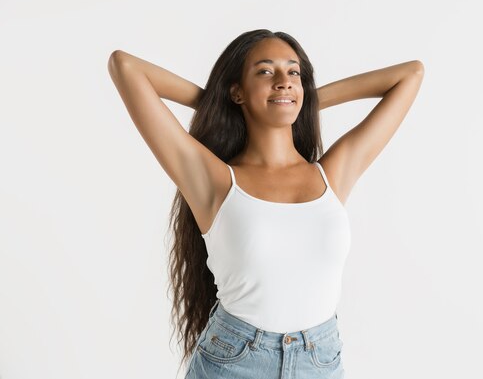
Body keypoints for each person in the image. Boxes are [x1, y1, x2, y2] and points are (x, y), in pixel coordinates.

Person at [107, 29, 424, 379]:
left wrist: (305, 100)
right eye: (265, 72)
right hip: (235, 361)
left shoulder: (333, 174)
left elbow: (410, 75)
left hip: (319, 362)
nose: (284, 81)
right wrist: (221, 103)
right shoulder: (214, 181)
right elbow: (126, 67)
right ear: (237, 91)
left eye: (294, 73)